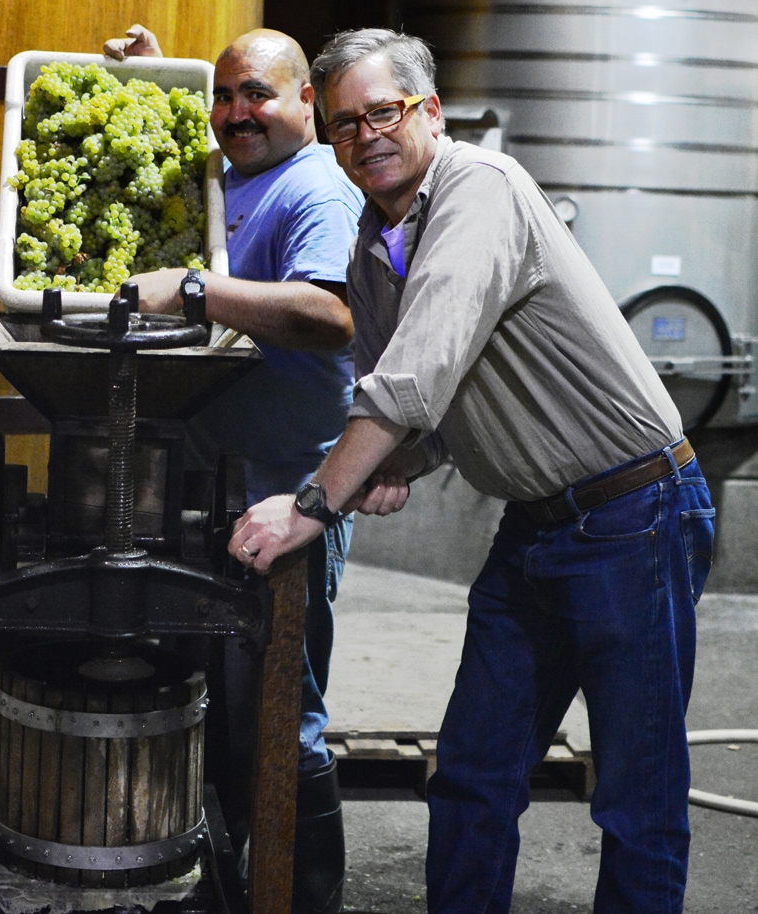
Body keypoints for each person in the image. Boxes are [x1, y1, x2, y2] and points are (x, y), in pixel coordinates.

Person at [228, 27, 715, 914]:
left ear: (431, 112)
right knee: (472, 777)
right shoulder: (373, 249)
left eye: (385, 111)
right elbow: (419, 409)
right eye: (344, 123)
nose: (365, 135)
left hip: (635, 513)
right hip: (536, 526)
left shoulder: (479, 191)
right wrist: (393, 462)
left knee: (636, 803)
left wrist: (312, 505)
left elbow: (410, 380)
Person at [104, 26, 364, 914]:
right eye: (223, 97)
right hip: (224, 479)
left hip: (293, 488)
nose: (235, 113)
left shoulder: (319, 186)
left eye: (257, 94)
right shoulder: (246, 178)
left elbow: (330, 316)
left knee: (285, 707)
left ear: (307, 104)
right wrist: (158, 80)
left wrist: (192, 290)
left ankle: (304, 896)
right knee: (229, 696)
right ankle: (231, 882)